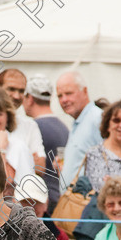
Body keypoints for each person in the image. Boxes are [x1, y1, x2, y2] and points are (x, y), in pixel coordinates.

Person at [22, 74, 69, 214]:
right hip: (58, 198)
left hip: (39, 203)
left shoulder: (33, 128)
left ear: (29, 99)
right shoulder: (64, 128)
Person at [56, 71, 102, 190]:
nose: (64, 100)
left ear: (85, 91)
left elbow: (110, 163)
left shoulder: (97, 119)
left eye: (69, 93)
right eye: (60, 96)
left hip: (89, 201)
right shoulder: (78, 122)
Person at [0, 68, 45, 173]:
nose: (16, 96)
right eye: (11, 89)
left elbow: (40, 167)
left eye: (21, 91)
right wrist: (27, 158)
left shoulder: (30, 125)